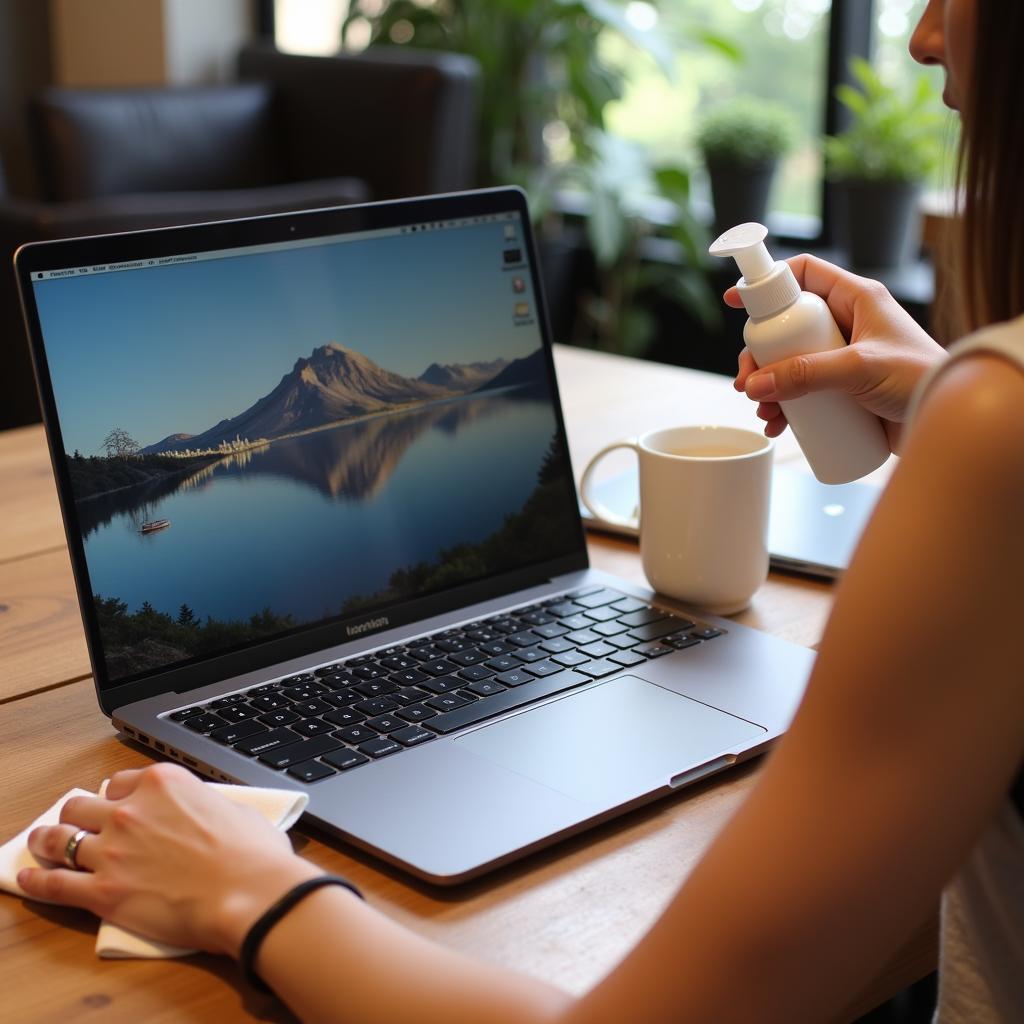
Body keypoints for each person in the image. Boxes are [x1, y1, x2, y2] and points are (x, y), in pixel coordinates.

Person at [16, 2, 1024, 1021]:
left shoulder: (997, 426)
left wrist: (254, 894)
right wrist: (948, 391)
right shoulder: (986, 410)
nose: (922, 33)